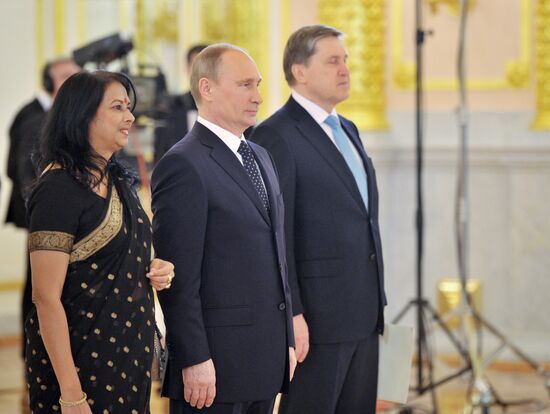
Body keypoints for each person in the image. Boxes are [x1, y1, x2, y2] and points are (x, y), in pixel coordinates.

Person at [151, 43, 297, 414]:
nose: (259, 96)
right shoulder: (183, 164)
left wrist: (287, 341)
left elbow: (276, 255)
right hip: (213, 369)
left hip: (265, 357)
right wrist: (193, 357)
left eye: (258, 85)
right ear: (207, 88)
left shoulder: (260, 155)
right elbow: (177, 278)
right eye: (245, 85)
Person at [251, 25, 387, 414]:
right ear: (300, 71)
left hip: (364, 311)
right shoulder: (275, 135)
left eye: (345, 61)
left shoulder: (348, 129)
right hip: (317, 319)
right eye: (332, 61)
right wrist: (293, 313)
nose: (345, 69)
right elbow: (278, 234)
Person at [25, 71, 175, 414]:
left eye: (129, 107)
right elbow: (45, 298)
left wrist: (156, 268)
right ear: (83, 115)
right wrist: (71, 395)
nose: (130, 117)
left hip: (128, 359)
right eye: (118, 107)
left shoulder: (118, 180)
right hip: (78, 369)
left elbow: (126, 255)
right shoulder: (57, 189)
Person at [4, 58, 81, 358]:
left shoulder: (49, 115)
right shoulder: (35, 118)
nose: (74, 82)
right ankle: (35, 348)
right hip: (41, 215)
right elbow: (24, 171)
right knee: (40, 288)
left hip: (45, 213)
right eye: (66, 77)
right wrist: (46, 211)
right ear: (49, 84)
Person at [153, 44, 208, 163]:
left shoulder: (230, 110)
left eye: (208, 67)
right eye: (196, 66)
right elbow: (160, 155)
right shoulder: (172, 108)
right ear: (187, 68)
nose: (202, 72)